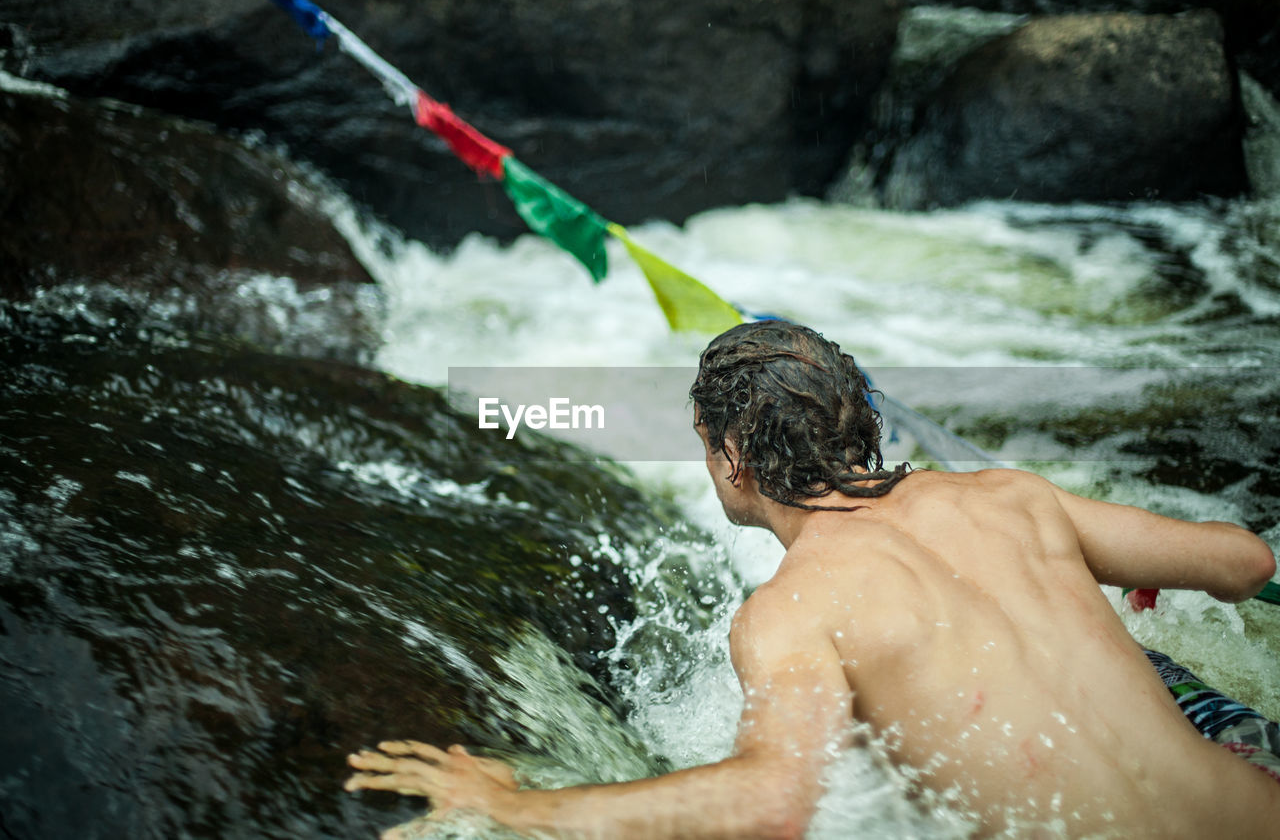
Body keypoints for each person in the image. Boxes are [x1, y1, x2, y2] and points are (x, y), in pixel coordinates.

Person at [346, 320, 1280, 838]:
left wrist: (515, 803)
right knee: (1153, 668)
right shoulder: (1012, 498)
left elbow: (770, 804)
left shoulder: (788, 615)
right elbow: (1243, 562)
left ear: (732, 460)